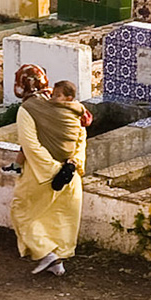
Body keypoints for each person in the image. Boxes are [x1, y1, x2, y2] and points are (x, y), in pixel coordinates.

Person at [13, 65, 88, 277]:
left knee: (23, 212)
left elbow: (30, 145)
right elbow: (80, 136)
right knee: (60, 219)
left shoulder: (28, 109)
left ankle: (47, 255)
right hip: (71, 172)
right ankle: (57, 263)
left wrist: (52, 170)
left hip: (41, 175)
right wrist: (73, 164)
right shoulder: (72, 107)